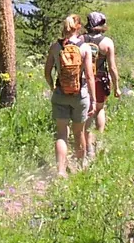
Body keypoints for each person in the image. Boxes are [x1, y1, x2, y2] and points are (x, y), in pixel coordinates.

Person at [45, 13, 96, 177]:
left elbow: (47, 72)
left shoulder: (55, 47)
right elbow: (89, 76)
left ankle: (60, 170)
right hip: (80, 95)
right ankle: (81, 167)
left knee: (61, 134)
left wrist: (53, 86)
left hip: (60, 92)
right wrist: (93, 100)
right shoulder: (85, 47)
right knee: (78, 132)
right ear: (78, 27)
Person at [84, 11, 120, 160]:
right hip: (100, 79)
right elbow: (112, 67)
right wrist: (116, 86)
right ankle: (99, 140)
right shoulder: (107, 43)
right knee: (99, 109)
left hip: (84, 79)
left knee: (86, 112)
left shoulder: (81, 39)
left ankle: (88, 145)